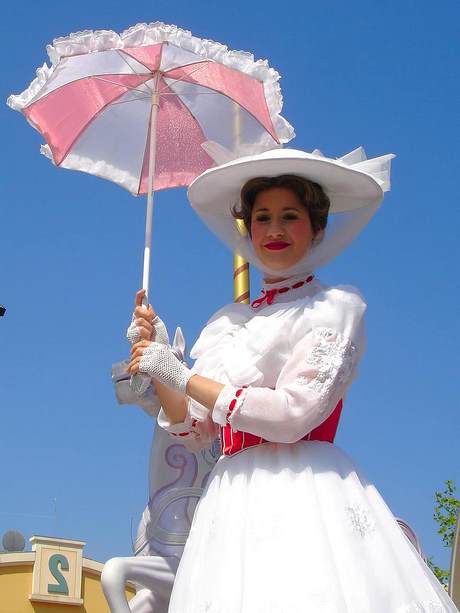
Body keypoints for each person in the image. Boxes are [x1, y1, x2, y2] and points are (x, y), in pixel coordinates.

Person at [127, 148, 459, 612]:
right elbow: (194, 428)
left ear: (317, 227)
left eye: (290, 216)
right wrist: (160, 362)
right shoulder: (228, 323)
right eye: (262, 217)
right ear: (248, 228)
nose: (275, 230)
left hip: (306, 494)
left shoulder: (334, 308)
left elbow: (291, 417)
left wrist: (181, 374)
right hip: (230, 504)